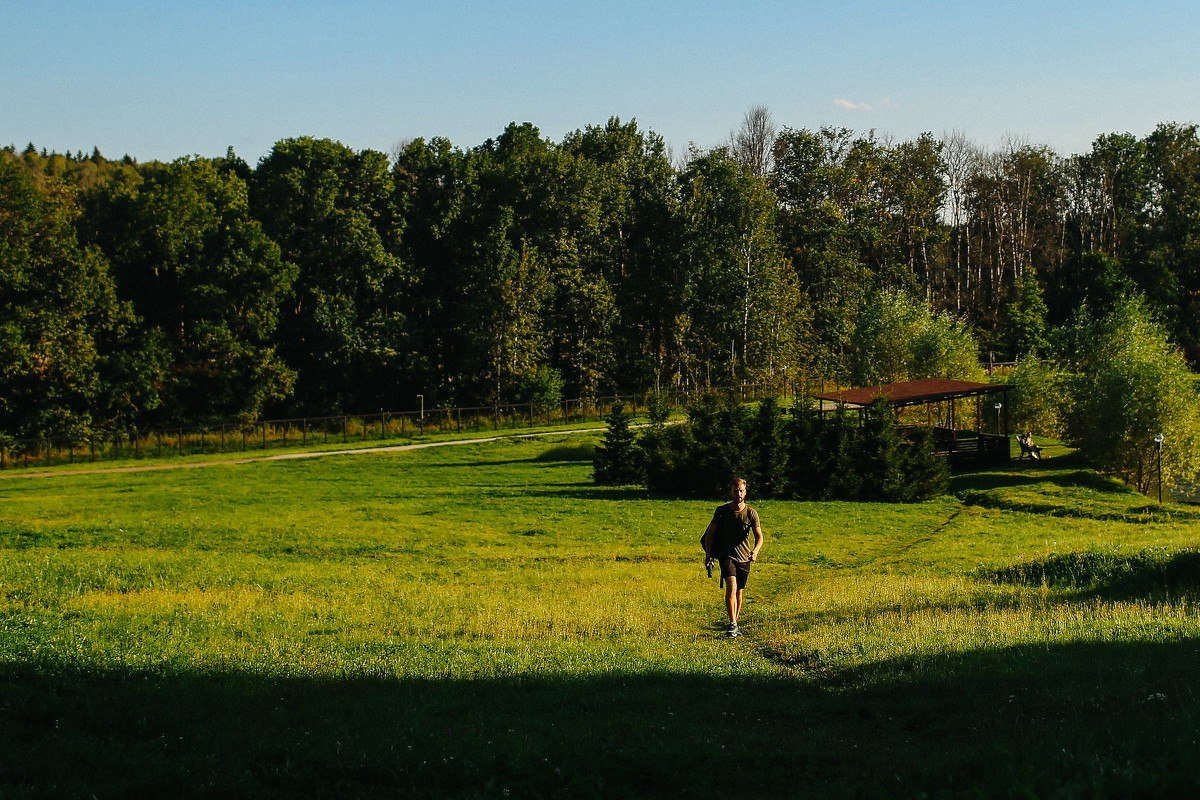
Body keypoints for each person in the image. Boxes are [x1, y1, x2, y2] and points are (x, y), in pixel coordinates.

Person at [702, 477, 764, 637]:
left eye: (741, 490)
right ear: (731, 491)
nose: (739, 493)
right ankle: (732, 623)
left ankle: (735, 624)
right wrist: (708, 555)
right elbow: (710, 534)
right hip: (726, 556)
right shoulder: (721, 511)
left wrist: (755, 551)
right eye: (736, 490)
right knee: (731, 586)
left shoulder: (751, 513)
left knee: (739, 592)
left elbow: (759, 536)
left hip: (745, 558)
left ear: (745, 491)